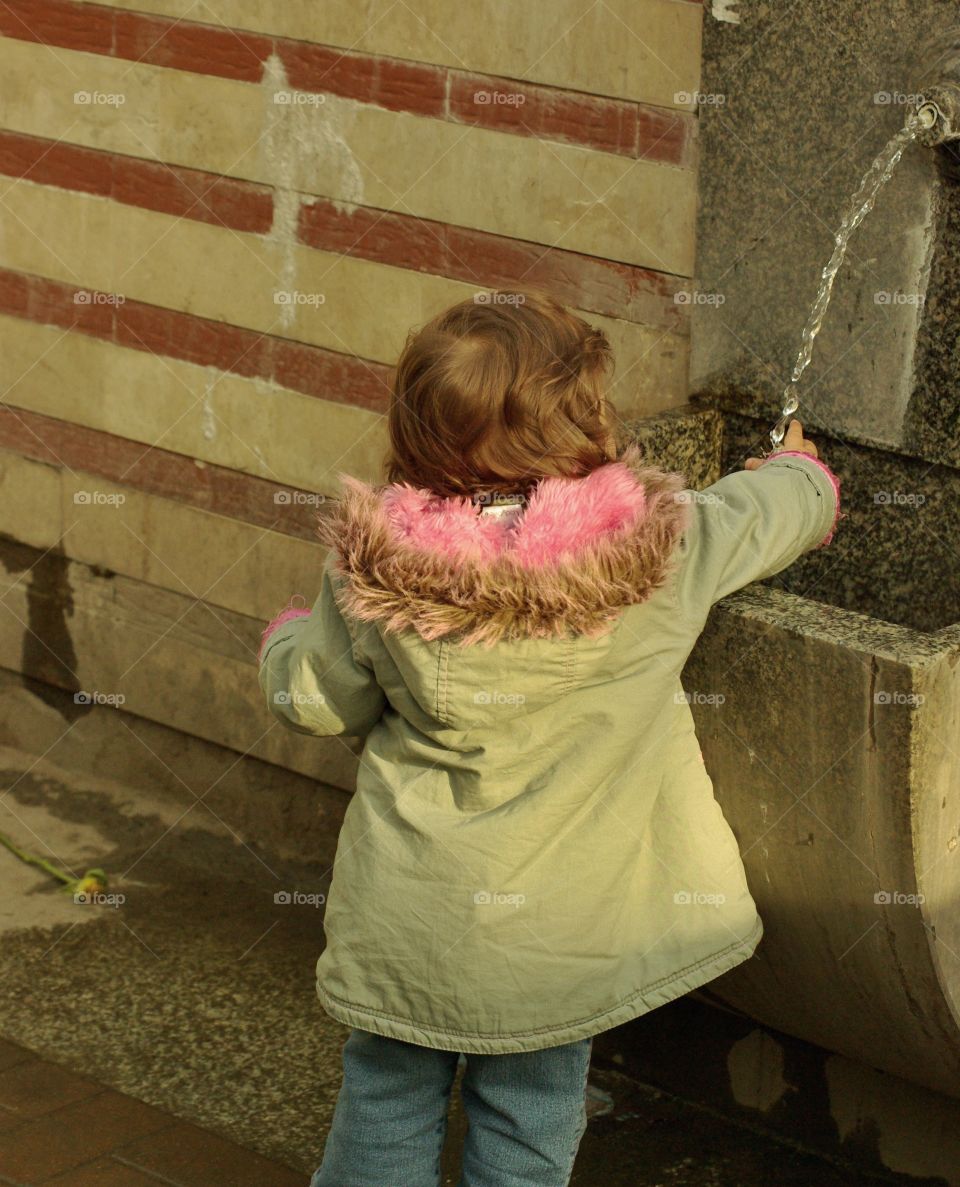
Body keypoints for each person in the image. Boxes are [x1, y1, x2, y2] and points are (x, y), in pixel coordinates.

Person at [258, 288, 841, 1187]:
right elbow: (763, 516)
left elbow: (316, 698)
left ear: (415, 440)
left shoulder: (378, 577)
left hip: (415, 921)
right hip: (559, 940)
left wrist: (288, 635)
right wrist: (799, 472)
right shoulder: (662, 550)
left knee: (385, 1097)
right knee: (531, 1116)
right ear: (584, 426)